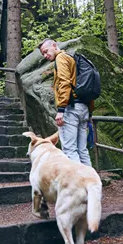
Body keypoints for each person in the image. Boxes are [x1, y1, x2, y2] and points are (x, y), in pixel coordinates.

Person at [38, 38, 94, 166]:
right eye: (43, 54)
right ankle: (90, 183)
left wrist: (61, 109)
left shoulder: (61, 58)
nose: (45, 55)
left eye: (46, 51)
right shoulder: (71, 58)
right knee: (82, 150)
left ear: (54, 45)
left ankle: (77, 184)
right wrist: (89, 112)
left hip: (71, 108)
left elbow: (64, 82)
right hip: (83, 107)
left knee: (69, 150)